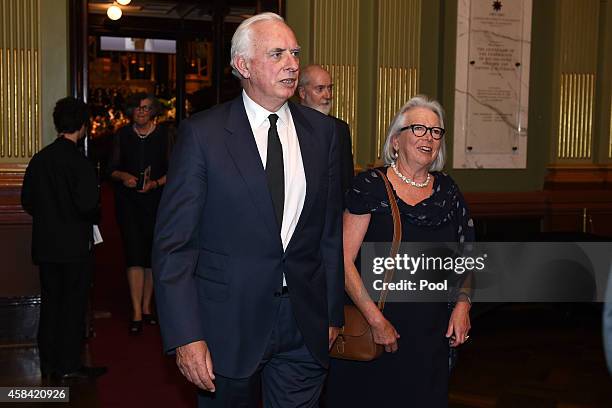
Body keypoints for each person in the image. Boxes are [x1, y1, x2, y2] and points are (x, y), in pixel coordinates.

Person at [152, 12, 344, 408]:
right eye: (277, 53)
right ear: (243, 65)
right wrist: (186, 334)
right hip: (228, 326)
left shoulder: (324, 134)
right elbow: (175, 245)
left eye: (294, 52)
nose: (292, 63)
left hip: (304, 327)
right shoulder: (202, 135)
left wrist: (331, 313)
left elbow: (327, 234)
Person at [325, 95, 474, 407]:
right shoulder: (370, 186)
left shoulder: (448, 191)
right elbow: (342, 259)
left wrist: (463, 307)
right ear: (395, 141)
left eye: (436, 132)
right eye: (419, 129)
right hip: (376, 330)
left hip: (432, 336)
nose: (429, 138)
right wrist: (376, 320)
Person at [21, 97, 106, 381]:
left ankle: (48, 364)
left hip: (46, 246)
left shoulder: (40, 159)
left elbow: (27, 201)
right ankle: (69, 364)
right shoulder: (80, 163)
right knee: (72, 307)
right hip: (74, 248)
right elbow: (88, 206)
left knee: (51, 305)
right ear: (82, 126)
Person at [108, 93, 169, 335]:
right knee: (134, 253)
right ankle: (135, 310)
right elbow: (111, 169)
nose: (141, 112)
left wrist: (155, 184)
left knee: (151, 255)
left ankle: (146, 307)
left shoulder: (166, 135)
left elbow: (176, 170)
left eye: (146, 108)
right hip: (129, 203)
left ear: (153, 111)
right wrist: (125, 177)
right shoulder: (122, 135)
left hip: (156, 203)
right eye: (137, 108)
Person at [297, 64, 354, 196]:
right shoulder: (289, 126)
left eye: (329, 88)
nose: (327, 95)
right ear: (302, 93)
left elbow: (346, 181)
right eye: (320, 89)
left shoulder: (340, 129)